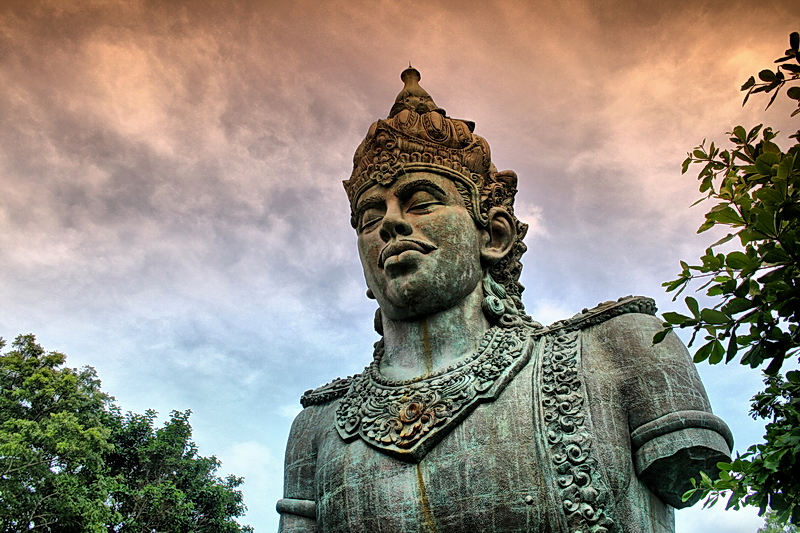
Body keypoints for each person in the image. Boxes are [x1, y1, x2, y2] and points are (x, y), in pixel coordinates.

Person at [276, 68, 732, 533]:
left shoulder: (622, 348)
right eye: (370, 216)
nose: (390, 224)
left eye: (421, 202)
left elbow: (690, 479)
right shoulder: (317, 428)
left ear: (494, 236)